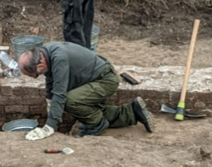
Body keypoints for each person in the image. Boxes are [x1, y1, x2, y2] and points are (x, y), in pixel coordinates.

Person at [17, 42, 154, 140]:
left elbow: (60, 93)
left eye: (33, 75)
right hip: (91, 80)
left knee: (70, 101)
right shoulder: (45, 53)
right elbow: (50, 79)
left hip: (105, 81)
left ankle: (97, 124)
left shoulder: (59, 58)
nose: (34, 78)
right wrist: (49, 100)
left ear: (40, 64)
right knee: (89, 109)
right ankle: (133, 112)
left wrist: (50, 126)